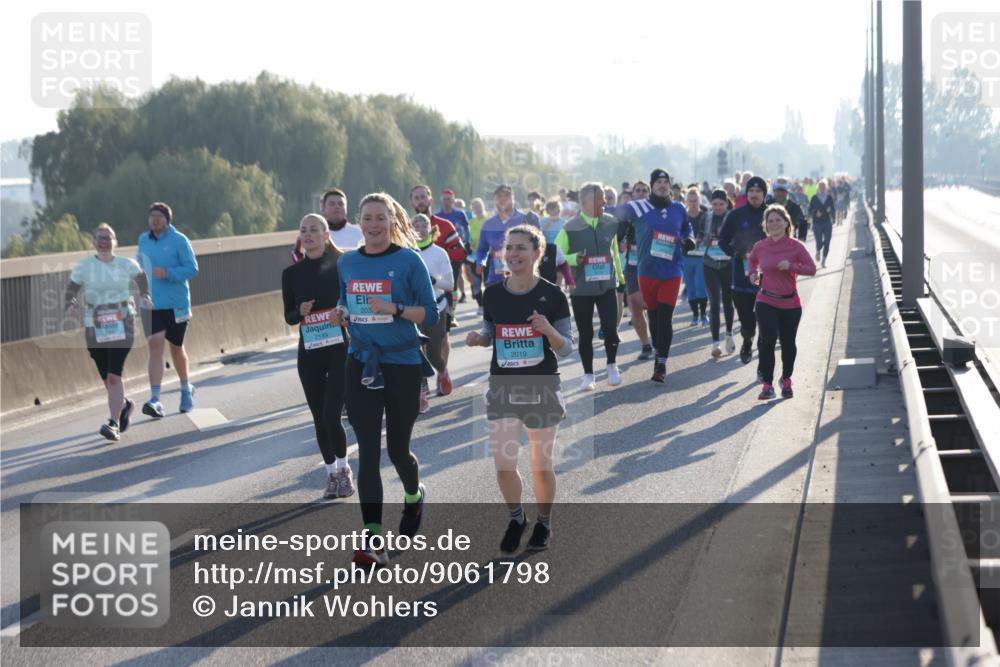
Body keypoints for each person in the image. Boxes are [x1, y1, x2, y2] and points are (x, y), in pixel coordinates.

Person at [334, 192, 436, 569]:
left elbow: (431, 315)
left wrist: (394, 308)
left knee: (397, 450)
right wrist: (341, 312)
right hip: (361, 362)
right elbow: (345, 299)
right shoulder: (348, 261)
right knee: (368, 452)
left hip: (402, 364)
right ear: (359, 222)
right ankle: (373, 539)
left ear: (393, 221)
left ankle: (414, 494)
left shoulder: (408, 260)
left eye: (381, 218)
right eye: (368, 218)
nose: (374, 225)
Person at [466, 224, 573, 552]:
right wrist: (480, 338)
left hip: (542, 385)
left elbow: (567, 348)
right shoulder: (493, 293)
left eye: (521, 248)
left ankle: (544, 522)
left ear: (537, 253)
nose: (513, 254)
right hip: (503, 386)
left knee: (541, 465)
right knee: (503, 465)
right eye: (509, 248)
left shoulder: (553, 296)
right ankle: (517, 519)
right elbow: (490, 331)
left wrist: (548, 330)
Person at [281, 214, 354, 499]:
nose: (308, 234)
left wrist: (343, 315)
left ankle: (345, 469)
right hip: (309, 352)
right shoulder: (291, 274)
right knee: (319, 418)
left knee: (331, 414)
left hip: (339, 349)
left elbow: (353, 303)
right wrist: (299, 311)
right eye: (304, 230)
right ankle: (331, 474)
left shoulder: (342, 264)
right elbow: (288, 316)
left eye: (314, 229)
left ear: (325, 235)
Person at [65, 224, 151, 441]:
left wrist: (145, 296)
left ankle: (113, 423)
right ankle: (124, 405)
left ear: (115, 242)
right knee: (106, 378)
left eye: (108, 238)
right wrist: (71, 305)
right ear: (94, 242)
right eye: (100, 238)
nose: (104, 242)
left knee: (114, 376)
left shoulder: (126, 264)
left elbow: (142, 279)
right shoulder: (84, 266)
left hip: (123, 322)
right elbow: (72, 290)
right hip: (95, 326)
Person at [612, 170, 695, 383]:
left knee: (665, 317)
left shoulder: (679, 208)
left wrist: (689, 239)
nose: (662, 185)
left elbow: (687, 227)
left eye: (666, 181)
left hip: (672, 270)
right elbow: (614, 212)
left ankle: (661, 363)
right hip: (647, 271)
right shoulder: (640, 206)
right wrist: (593, 207)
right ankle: (658, 350)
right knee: (655, 317)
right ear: (652, 186)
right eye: (658, 182)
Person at [554, 182, 625, 391]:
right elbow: (556, 256)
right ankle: (588, 374)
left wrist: (620, 278)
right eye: (600, 198)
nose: (605, 202)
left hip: (607, 285)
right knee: (585, 333)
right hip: (581, 289)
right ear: (585, 202)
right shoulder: (570, 227)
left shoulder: (611, 222)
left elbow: (614, 253)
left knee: (610, 328)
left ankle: (612, 365)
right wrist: (574, 259)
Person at [747, 205, 817, 399]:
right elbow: (752, 261)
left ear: (786, 223)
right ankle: (767, 385)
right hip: (765, 299)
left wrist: (792, 266)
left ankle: (786, 380)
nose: (774, 223)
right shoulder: (761, 246)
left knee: (788, 344)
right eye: (770, 221)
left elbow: (812, 269)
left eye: (778, 220)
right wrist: (752, 273)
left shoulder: (795, 246)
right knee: (767, 341)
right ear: (766, 225)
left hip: (790, 303)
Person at [137, 202, 199, 418]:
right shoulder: (143, 240)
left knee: (176, 348)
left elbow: (192, 268)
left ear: (167, 220)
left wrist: (168, 273)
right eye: (152, 216)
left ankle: (185, 388)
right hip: (151, 304)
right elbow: (140, 266)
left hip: (176, 304)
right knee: (155, 344)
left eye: (159, 216)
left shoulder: (179, 240)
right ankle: (155, 399)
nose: (155, 220)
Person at [719, 176, 767, 367]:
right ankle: (747, 340)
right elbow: (722, 240)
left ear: (764, 194)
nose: (754, 195)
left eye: (758, 191)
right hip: (741, 276)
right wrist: (735, 253)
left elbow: (785, 238)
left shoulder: (772, 214)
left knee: (766, 320)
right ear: (746, 194)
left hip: (767, 276)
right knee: (747, 321)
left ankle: (763, 363)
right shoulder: (736, 215)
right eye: (751, 191)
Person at [411, 213, 455, 410]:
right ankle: (421, 393)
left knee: (433, 354)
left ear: (431, 229)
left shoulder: (439, 253)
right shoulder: (406, 252)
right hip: (413, 309)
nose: (420, 228)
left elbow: (450, 284)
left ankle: (442, 371)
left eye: (424, 225)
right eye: (416, 225)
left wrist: (433, 281)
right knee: (416, 352)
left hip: (437, 306)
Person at [411, 185, 466, 327]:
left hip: (441, 284)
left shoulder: (445, 225)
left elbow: (460, 252)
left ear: (431, 200)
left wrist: (438, 255)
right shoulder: (406, 228)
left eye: (423, 197)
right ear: (412, 202)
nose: (420, 201)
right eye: (416, 198)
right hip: (414, 295)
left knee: (441, 338)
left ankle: (451, 312)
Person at [474, 184, 541, 289]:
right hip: (495, 280)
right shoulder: (488, 225)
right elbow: (481, 249)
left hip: (523, 280)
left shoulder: (527, 219)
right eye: (499, 197)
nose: (502, 199)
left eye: (506, 196)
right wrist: (480, 262)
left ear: (513, 199)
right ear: (495, 200)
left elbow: (539, 247)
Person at [700, 190, 736, 358]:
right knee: (714, 302)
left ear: (726, 204)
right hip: (710, 263)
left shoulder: (732, 217)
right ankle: (715, 343)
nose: (718, 207)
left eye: (721, 204)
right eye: (715, 204)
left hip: (728, 263)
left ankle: (728, 334)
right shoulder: (706, 218)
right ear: (711, 204)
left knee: (728, 302)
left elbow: (738, 238)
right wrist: (702, 241)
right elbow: (698, 236)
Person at [620, 180, 652, 360]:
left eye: (644, 190)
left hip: (652, 266)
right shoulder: (627, 215)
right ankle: (645, 345)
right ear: (632, 195)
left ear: (649, 194)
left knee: (652, 306)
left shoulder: (653, 214)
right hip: (632, 266)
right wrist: (621, 242)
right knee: (635, 306)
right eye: (637, 190)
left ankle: (659, 339)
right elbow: (617, 235)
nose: (641, 193)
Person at [434, 187, 471, 303]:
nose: (447, 202)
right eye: (444, 199)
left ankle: (461, 295)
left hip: (456, 249)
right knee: (442, 276)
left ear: (453, 200)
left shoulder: (460, 214)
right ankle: (443, 298)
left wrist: (467, 243)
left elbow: (467, 229)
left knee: (457, 274)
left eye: (449, 199)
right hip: (441, 251)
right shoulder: (436, 215)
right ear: (441, 201)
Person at [682, 187, 709, 326]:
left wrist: (702, 240)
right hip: (686, 257)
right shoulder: (683, 216)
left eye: (695, 200)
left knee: (700, 285)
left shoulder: (705, 216)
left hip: (701, 257)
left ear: (699, 201)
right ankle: (695, 315)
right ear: (686, 201)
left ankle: (703, 314)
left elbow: (710, 233)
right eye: (691, 201)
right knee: (690, 287)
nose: (693, 203)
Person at [768, 178, 807, 243]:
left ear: (787, 192)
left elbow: (803, 223)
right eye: (778, 191)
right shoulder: (767, 205)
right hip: (770, 243)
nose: (780, 193)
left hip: (790, 243)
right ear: (774, 192)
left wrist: (801, 239)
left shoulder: (794, 207)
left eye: (783, 191)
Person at [467, 197, 489, 314]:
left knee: (488, 282)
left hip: (489, 255)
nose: (477, 209)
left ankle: (489, 304)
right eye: (475, 207)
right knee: (476, 282)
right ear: (472, 209)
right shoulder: (470, 222)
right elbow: (468, 238)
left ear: (483, 207)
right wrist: (469, 243)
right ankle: (480, 305)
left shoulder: (489, 220)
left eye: (479, 206)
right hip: (474, 256)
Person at [809, 179, 836, 268]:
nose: (822, 188)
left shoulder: (829, 197)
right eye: (821, 186)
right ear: (818, 187)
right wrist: (815, 213)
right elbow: (810, 210)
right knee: (819, 242)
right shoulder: (814, 197)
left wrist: (831, 213)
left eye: (824, 186)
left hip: (827, 221)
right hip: (817, 223)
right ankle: (818, 250)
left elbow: (833, 209)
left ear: (826, 187)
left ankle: (823, 261)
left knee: (827, 241)